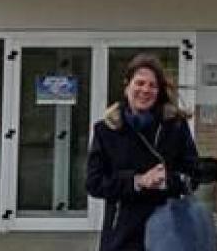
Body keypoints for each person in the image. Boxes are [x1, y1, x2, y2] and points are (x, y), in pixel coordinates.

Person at [86, 54, 201, 251]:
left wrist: (166, 180)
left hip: (168, 231)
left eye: (152, 85)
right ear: (127, 86)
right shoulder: (106, 130)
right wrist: (138, 181)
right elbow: (94, 183)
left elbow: (193, 174)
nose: (145, 90)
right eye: (139, 83)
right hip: (121, 235)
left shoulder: (174, 127)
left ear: (159, 91)